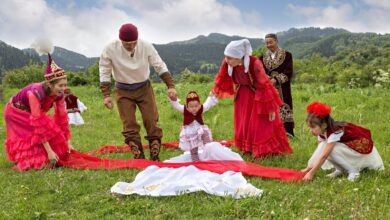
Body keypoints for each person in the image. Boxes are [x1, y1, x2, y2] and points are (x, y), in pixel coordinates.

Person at [99, 23, 177, 161]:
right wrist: (106, 95)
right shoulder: (109, 49)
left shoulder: (146, 46)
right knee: (129, 123)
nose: (130, 46)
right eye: (127, 43)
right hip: (122, 90)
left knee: (151, 120)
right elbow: (104, 71)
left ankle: (154, 155)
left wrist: (170, 86)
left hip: (144, 88)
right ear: (120, 40)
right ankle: (139, 156)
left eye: (133, 42)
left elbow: (159, 65)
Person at [211, 39, 293, 158]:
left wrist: (270, 108)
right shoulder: (228, 62)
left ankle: (262, 150)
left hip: (256, 96)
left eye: (229, 58)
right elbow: (221, 77)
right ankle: (247, 147)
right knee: (244, 122)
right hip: (241, 96)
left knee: (258, 124)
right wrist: (214, 91)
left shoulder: (254, 63)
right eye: (226, 57)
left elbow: (264, 85)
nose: (226, 60)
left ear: (239, 56)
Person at [4, 39, 71, 170]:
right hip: (15, 112)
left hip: (31, 113)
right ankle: (30, 159)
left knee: (52, 132)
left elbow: (62, 118)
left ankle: (46, 155)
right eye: (60, 85)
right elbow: (38, 124)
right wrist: (50, 151)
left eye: (65, 85)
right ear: (50, 84)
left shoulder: (59, 94)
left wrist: (67, 143)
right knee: (34, 138)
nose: (63, 88)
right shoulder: (34, 93)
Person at [302, 102, 384, 182]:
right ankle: (341, 169)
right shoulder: (322, 131)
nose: (311, 130)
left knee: (330, 150)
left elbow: (324, 155)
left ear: (324, 125)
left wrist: (311, 173)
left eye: (313, 127)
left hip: (358, 149)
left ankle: (353, 171)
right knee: (325, 147)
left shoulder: (335, 132)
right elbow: (319, 151)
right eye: (310, 127)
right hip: (348, 147)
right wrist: (308, 168)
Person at [259, 34, 295, 137]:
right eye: (266, 43)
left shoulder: (287, 55)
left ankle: (288, 133)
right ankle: (272, 134)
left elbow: (289, 72)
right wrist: (266, 79)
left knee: (284, 107)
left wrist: (276, 80)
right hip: (267, 88)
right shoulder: (262, 58)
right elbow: (259, 72)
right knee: (269, 110)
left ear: (276, 41)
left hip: (283, 89)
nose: (269, 45)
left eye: (271, 42)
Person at [168, 91, 218, 161]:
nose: (194, 108)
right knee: (193, 149)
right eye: (191, 106)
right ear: (187, 106)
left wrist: (211, 96)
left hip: (200, 130)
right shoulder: (184, 109)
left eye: (196, 106)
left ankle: (208, 150)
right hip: (190, 132)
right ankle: (196, 160)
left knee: (205, 134)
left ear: (199, 105)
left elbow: (207, 104)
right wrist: (174, 100)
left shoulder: (201, 109)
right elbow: (177, 106)